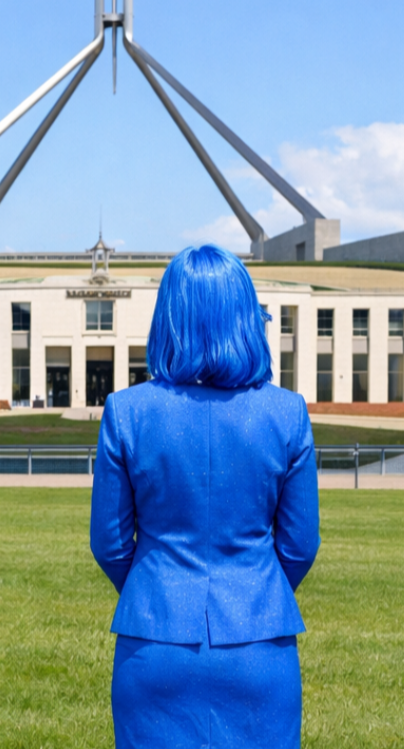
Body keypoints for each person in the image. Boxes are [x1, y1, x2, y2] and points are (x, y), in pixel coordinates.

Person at [90, 244, 320, 749]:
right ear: (246, 316)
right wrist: (256, 591)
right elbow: (300, 546)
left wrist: (155, 589)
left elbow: (109, 544)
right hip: (260, 642)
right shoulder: (288, 413)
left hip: (154, 642)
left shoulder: (126, 412)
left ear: (168, 318)